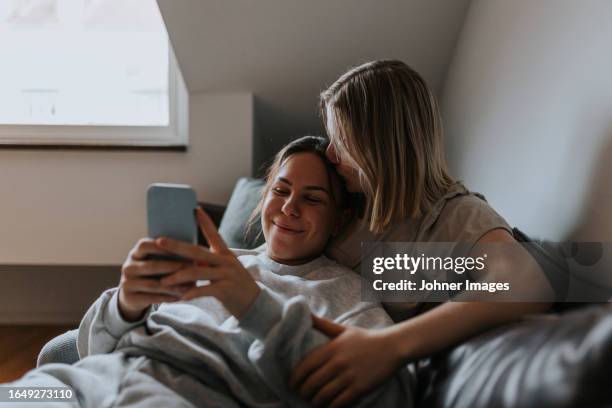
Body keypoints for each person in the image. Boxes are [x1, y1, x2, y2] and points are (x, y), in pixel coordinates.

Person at [1, 136, 414, 408]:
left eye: (312, 198)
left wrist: (254, 307)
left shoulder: (347, 292)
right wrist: (124, 304)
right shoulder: (204, 259)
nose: (289, 208)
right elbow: (91, 348)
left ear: (339, 220)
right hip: (93, 377)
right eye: (281, 191)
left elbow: (388, 394)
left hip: (181, 395)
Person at [289, 60, 553, 407]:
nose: (331, 152)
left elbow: (526, 282)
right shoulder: (346, 198)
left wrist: (390, 346)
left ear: (380, 141)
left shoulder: (457, 215)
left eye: (342, 139)